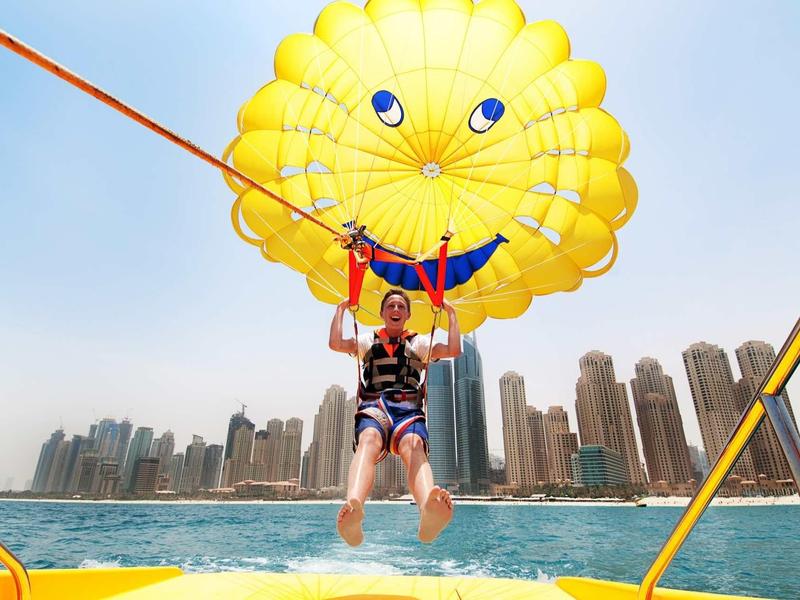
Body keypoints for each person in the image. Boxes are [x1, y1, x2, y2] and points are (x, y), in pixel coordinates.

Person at [328, 289, 462, 546]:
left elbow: (453, 349)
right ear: (382, 313)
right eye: (391, 306)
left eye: (401, 306)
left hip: (408, 410)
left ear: (408, 314)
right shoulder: (368, 340)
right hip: (375, 406)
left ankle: (427, 511)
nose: (396, 310)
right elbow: (336, 344)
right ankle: (354, 506)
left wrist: (451, 313)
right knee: (368, 439)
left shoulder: (419, 343)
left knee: (413, 446)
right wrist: (341, 309)